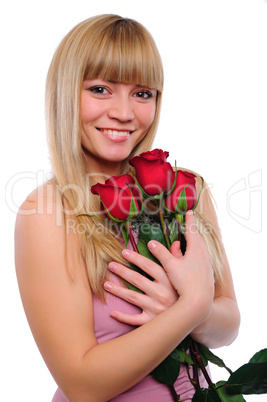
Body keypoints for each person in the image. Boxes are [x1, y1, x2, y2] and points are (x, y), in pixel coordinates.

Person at [15, 14, 240, 402]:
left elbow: (229, 324)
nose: (124, 113)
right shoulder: (48, 212)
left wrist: (195, 310)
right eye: (101, 89)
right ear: (66, 93)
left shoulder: (184, 189)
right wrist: (189, 307)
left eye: (142, 93)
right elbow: (82, 385)